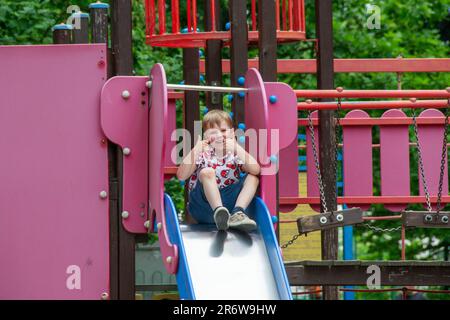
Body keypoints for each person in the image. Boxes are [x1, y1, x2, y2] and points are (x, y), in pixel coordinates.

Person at [176, 110, 260, 232]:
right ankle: (218, 211)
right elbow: (182, 176)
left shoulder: (235, 154)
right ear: (206, 136)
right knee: (207, 172)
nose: (220, 135)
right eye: (214, 132)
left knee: (253, 178)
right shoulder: (202, 153)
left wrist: (237, 148)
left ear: (232, 133)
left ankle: (237, 213)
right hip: (203, 206)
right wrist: (196, 149)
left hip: (229, 206)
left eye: (223, 130)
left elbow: (256, 170)